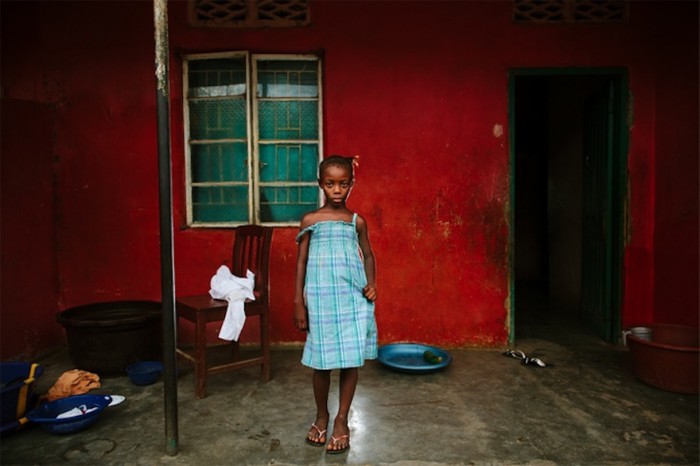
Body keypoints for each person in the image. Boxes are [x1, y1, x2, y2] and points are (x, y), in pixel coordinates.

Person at [294, 155, 378, 454]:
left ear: (351, 185)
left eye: (343, 184)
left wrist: (371, 284)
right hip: (320, 301)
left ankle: (341, 420)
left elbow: (368, 255)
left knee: (350, 360)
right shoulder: (310, 221)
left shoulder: (357, 222)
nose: (337, 190)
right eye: (330, 184)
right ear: (320, 185)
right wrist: (298, 303)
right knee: (320, 363)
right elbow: (301, 262)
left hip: (352, 300)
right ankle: (322, 414)